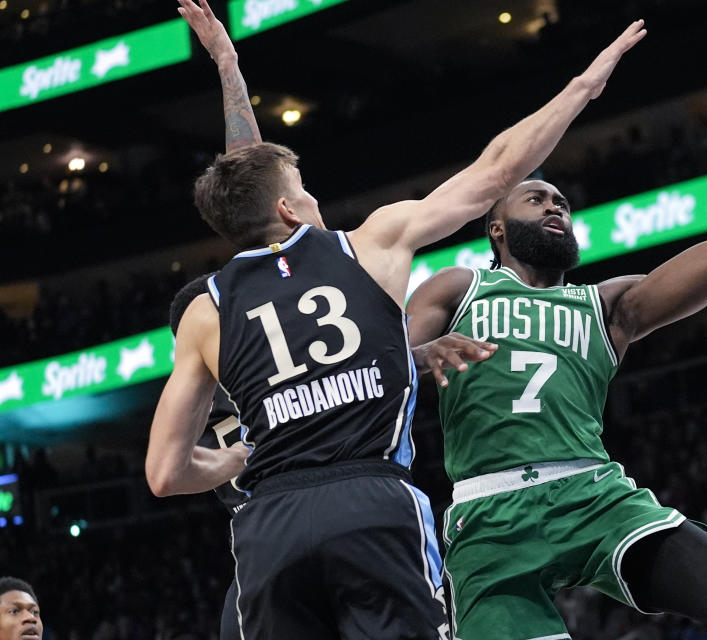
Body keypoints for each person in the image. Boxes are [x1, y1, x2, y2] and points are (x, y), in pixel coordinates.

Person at [146, 1, 647, 637]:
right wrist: (584, 85)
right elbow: (497, 169)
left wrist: (237, 458)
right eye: (304, 187)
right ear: (292, 210)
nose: (314, 194)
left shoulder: (203, 311)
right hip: (370, 503)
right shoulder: (371, 245)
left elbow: (165, 474)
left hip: (269, 525)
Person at [405, 57, 707, 639]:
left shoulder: (610, 305)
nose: (555, 206)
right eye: (536, 199)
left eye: (561, 203)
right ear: (496, 229)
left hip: (592, 494)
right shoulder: (456, 287)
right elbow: (381, 366)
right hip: (489, 515)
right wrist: (420, 357)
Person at [169, 273, 247, 640]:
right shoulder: (262, 364)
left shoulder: (187, 403)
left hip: (253, 557)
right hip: (303, 519)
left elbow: (165, 474)